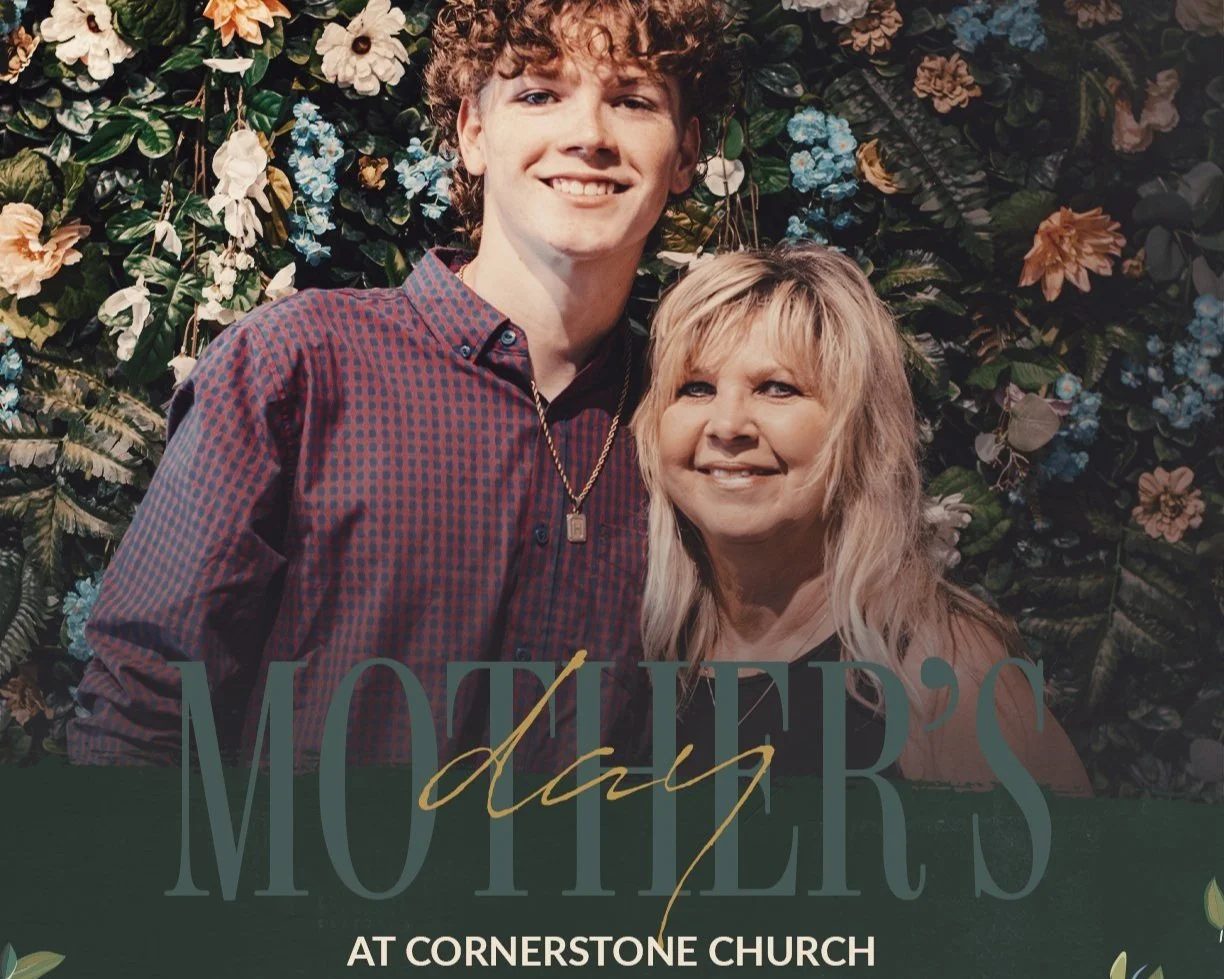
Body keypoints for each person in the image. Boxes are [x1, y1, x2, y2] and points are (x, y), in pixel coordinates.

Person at [68, 0, 731, 769]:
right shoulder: (300, 364)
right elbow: (139, 707)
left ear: (684, 154)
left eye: (632, 100)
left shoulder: (692, 428)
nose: (588, 134)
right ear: (472, 133)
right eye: (540, 93)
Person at [631, 245, 1092, 792]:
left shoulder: (944, 677)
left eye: (778, 388)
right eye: (696, 388)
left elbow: (1074, 874)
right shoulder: (636, 658)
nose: (727, 425)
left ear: (860, 432)